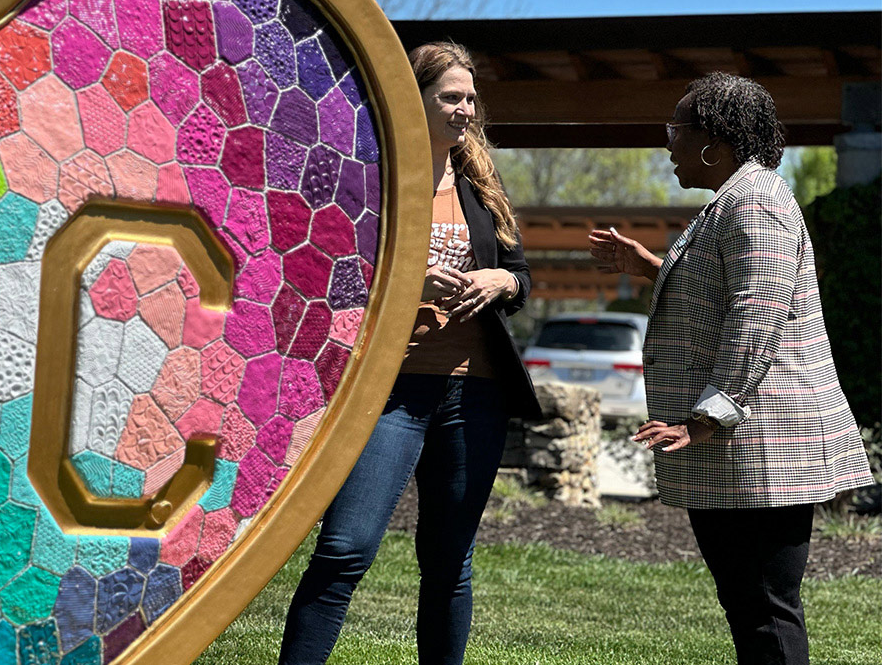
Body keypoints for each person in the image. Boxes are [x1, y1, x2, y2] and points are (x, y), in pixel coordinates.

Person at [588, 72, 872, 665]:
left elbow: (757, 314)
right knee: (751, 611)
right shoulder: (736, 200)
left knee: (766, 613)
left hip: (762, 444)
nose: (668, 144)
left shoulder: (756, 199)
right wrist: (654, 268)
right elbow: (731, 295)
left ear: (713, 140)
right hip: (744, 446)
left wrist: (706, 421)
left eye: (677, 129)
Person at [278, 42, 541, 665]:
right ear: (412, 98)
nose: (466, 110)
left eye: (471, 98)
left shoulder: (481, 179)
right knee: (345, 549)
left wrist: (502, 282)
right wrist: (405, 283)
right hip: (387, 390)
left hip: (473, 391)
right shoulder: (369, 175)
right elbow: (321, 273)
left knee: (450, 562)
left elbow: (522, 274)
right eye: (451, 97)